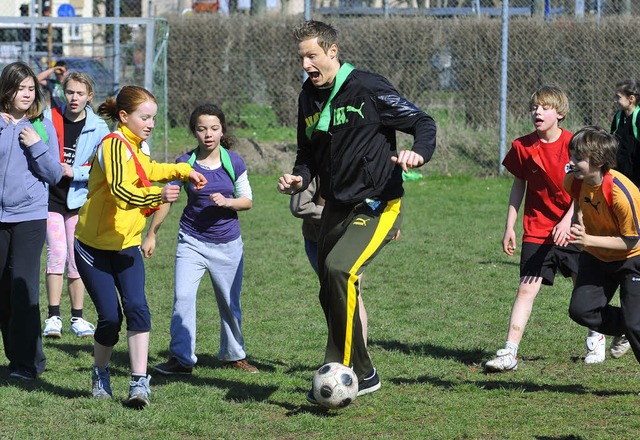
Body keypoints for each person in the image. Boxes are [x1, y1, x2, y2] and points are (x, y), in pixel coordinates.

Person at [277, 20, 436, 403]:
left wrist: (419, 153)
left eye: (312, 56)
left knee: (340, 270)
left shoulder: (367, 87)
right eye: (301, 58)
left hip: (378, 203)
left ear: (332, 51)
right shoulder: (308, 98)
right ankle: (365, 374)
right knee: (328, 290)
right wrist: (299, 179)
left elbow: (422, 122)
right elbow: (307, 154)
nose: (306, 65)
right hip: (335, 204)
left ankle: (341, 368)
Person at [73, 85, 207, 408]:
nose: (150, 124)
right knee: (109, 318)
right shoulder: (112, 146)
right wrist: (157, 196)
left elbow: (148, 170)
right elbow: (121, 190)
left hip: (126, 245)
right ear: (124, 116)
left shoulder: (137, 146)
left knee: (137, 308)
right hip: (92, 248)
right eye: (144, 118)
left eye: (153, 118)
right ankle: (100, 372)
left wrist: (183, 170)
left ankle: (138, 383)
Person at [484, 85, 606, 373]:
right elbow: (518, 185)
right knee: (526, 288)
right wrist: (510, 226)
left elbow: (585, 188)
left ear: (560, 113)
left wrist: (568, 220)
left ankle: (595, 335)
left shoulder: (574, 147)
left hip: (574, 225)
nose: (537, 112)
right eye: (534, 107)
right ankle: (510, 351)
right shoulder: (522, 146)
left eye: (545, 107)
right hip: (536, 230)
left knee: (581, 285)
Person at [142, 103, 258, 375]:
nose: (208, 134)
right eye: (202, 128)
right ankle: (181, 359)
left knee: (230, 303)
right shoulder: (185, 163)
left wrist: (227, 202)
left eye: (214, 128)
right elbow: (167, 199)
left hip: (228, 243)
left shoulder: (234, 161)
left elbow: (247, 201)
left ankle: (233, 355)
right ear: (194, 132)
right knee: (182, 297)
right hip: (191, 240)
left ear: (222, 131)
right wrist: (151, 234)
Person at [0, 61, 63, 380]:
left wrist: (36, 146)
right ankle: (16, 357)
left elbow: (54, 174)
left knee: (22, 286)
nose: (25, 94)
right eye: (19, 88)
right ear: (6, 90)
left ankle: (29, 363)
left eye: (30, 89)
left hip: (29, 216)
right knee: (3, 290)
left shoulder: (41, 124)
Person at [565, 126, 640, 378]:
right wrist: (577, 220)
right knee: (581, 310)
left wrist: (588, 238)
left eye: (577, 158)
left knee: (636, 324)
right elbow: (578, 200)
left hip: (632, 258)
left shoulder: (622, 193)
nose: (571, 162)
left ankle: (632, 326)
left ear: (597, 162)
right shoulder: (574, 180)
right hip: (596, 256)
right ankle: (628, 326)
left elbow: (631, 242)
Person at [42, 72, 110, 339]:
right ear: (63, 92)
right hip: (50, 199)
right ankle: (53, 316)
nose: (74, 98)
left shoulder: (98, 127)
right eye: (70, 92)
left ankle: (78, 318)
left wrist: (75, 172)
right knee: (57, 253)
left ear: (89, 97)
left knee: (75, 257)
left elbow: (101, 166)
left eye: (80, 94)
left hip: (79, 200)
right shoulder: (49, 118)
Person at [290, 177, 369, 345]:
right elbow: (300, 206)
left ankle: (358, 356)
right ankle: (347, 354)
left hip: (353, 236)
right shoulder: (315, 161)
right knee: (336, 296)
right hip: (319, 240)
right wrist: (339, 216)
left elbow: (379, 194)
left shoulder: (364, 155)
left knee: (351, 294)